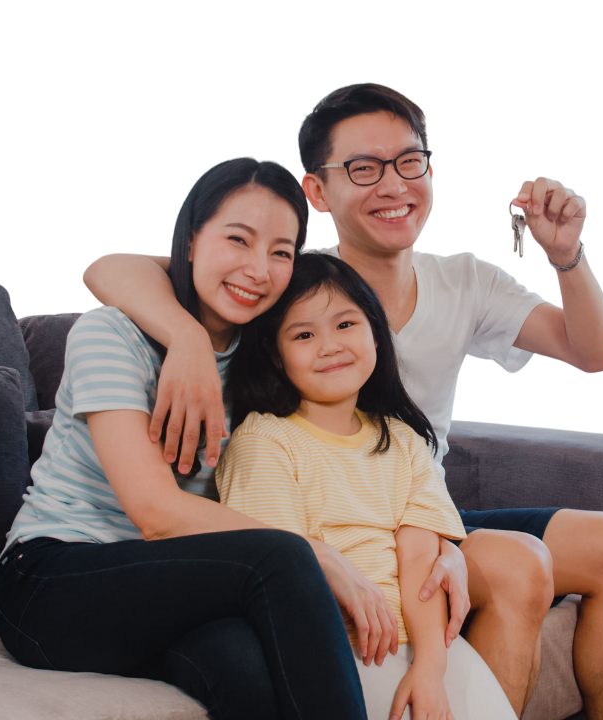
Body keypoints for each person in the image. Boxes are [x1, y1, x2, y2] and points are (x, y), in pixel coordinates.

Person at [82, 83, 603, 720]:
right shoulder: (286, 283)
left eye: (410, 162)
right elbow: (112, 268)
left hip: (415, 503)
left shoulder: (465, 279)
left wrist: (564, 254)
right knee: (520, 565)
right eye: (363, 168)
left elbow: (594, 352)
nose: (393, 185)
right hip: (330, 519)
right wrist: (185, 337)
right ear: (317, 193)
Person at [0, 156, 370, 720]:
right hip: (53, 579)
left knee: (244, 669)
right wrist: (320, 556)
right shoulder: (110, 333)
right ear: (191, 241)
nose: (258, 269)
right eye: (238, 240)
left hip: (177, 581)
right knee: (282, 556)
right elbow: (155, 513)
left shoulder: (264, 354)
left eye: (281, 252)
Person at [216, 252, 517, 720]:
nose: (329, 346)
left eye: (345, 325)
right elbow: (280, 571)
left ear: (376, 332)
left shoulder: (402, 438)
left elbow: (420, 558)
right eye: (303, 334)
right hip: (338, 652)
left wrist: (430, 668)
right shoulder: (264, 441)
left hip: (421, 644)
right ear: (276, 356)